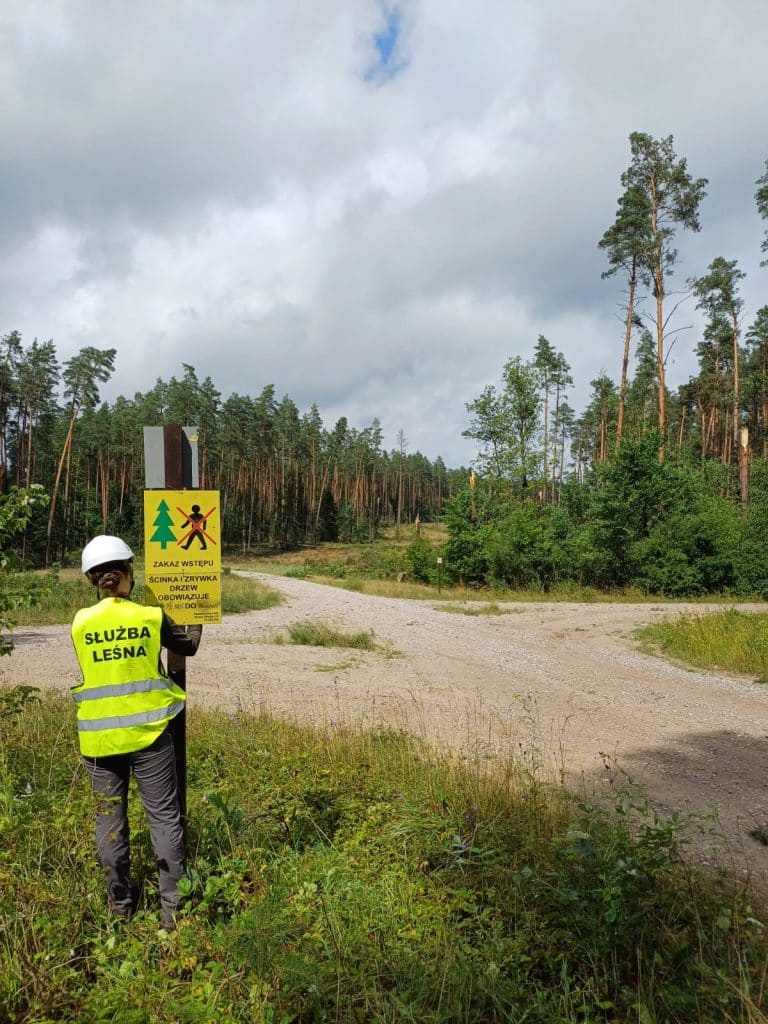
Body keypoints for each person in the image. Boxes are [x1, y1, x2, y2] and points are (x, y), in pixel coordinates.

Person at [70, 534, 202, 931]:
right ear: (127, 573)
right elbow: (189, 644)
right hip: (148, 736)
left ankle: (120, 908)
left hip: (98, 741)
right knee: (163, 819)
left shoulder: (80, 623)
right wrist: (194, 607)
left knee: (108, 824)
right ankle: (173, 914)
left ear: (93, 580)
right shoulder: (148, 617)